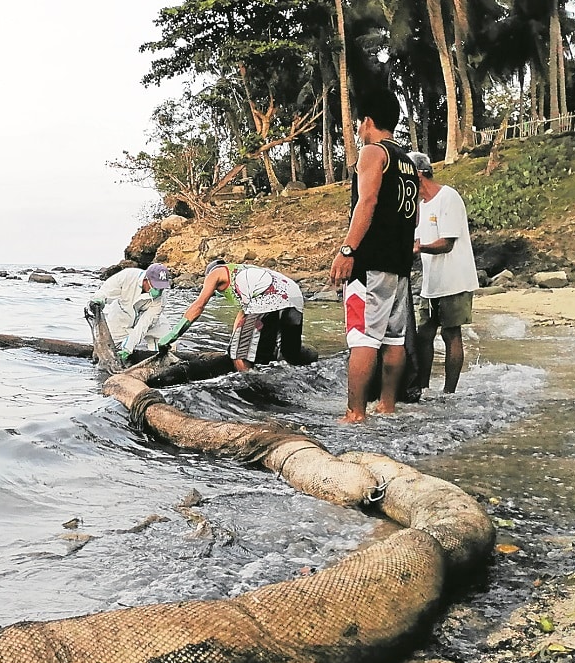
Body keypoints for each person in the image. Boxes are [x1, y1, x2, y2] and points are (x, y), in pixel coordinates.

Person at [329, 91, 421, 423]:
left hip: (370, 263)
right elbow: (413, 215)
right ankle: (387, 405)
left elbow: (366, 203)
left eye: (358, 124)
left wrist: (347, 250)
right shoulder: (408, 162)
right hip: (398, 263)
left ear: (367, 122)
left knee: (363, 338)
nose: (357, 130)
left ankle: (355, 413)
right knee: (394, 337)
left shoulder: (373, 152)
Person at [157, 260, 316, 370]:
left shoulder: (216, 273)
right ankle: (310, 359)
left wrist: (173, 335)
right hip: (293, 296)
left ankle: (251, 389)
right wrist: (234, 341)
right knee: (288, 354)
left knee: (239, 357)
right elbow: (242, 317)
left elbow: (198, 306)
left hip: (268, 296)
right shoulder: (244, 275)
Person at [411, 151, 478, 394]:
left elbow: (447, 242)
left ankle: (448, 392)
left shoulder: (448, 197)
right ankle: (423, 387)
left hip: (454, 280)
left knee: (451, 334)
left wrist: (420, 248)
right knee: (424, 334)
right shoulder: (421, 205)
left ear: (419, 175)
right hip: (432, 282)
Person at [85, 263, 171, 363]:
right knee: (110, 348)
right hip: (121, 318)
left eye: (162, 288)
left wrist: (128, 348)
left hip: (150, 323)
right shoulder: (128, 276)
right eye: (156, 286)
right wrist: (99, 299)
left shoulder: (161, 300)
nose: (159, 291)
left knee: (167, 345)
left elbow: (144, 325)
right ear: (146, 279)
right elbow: (107, 289)